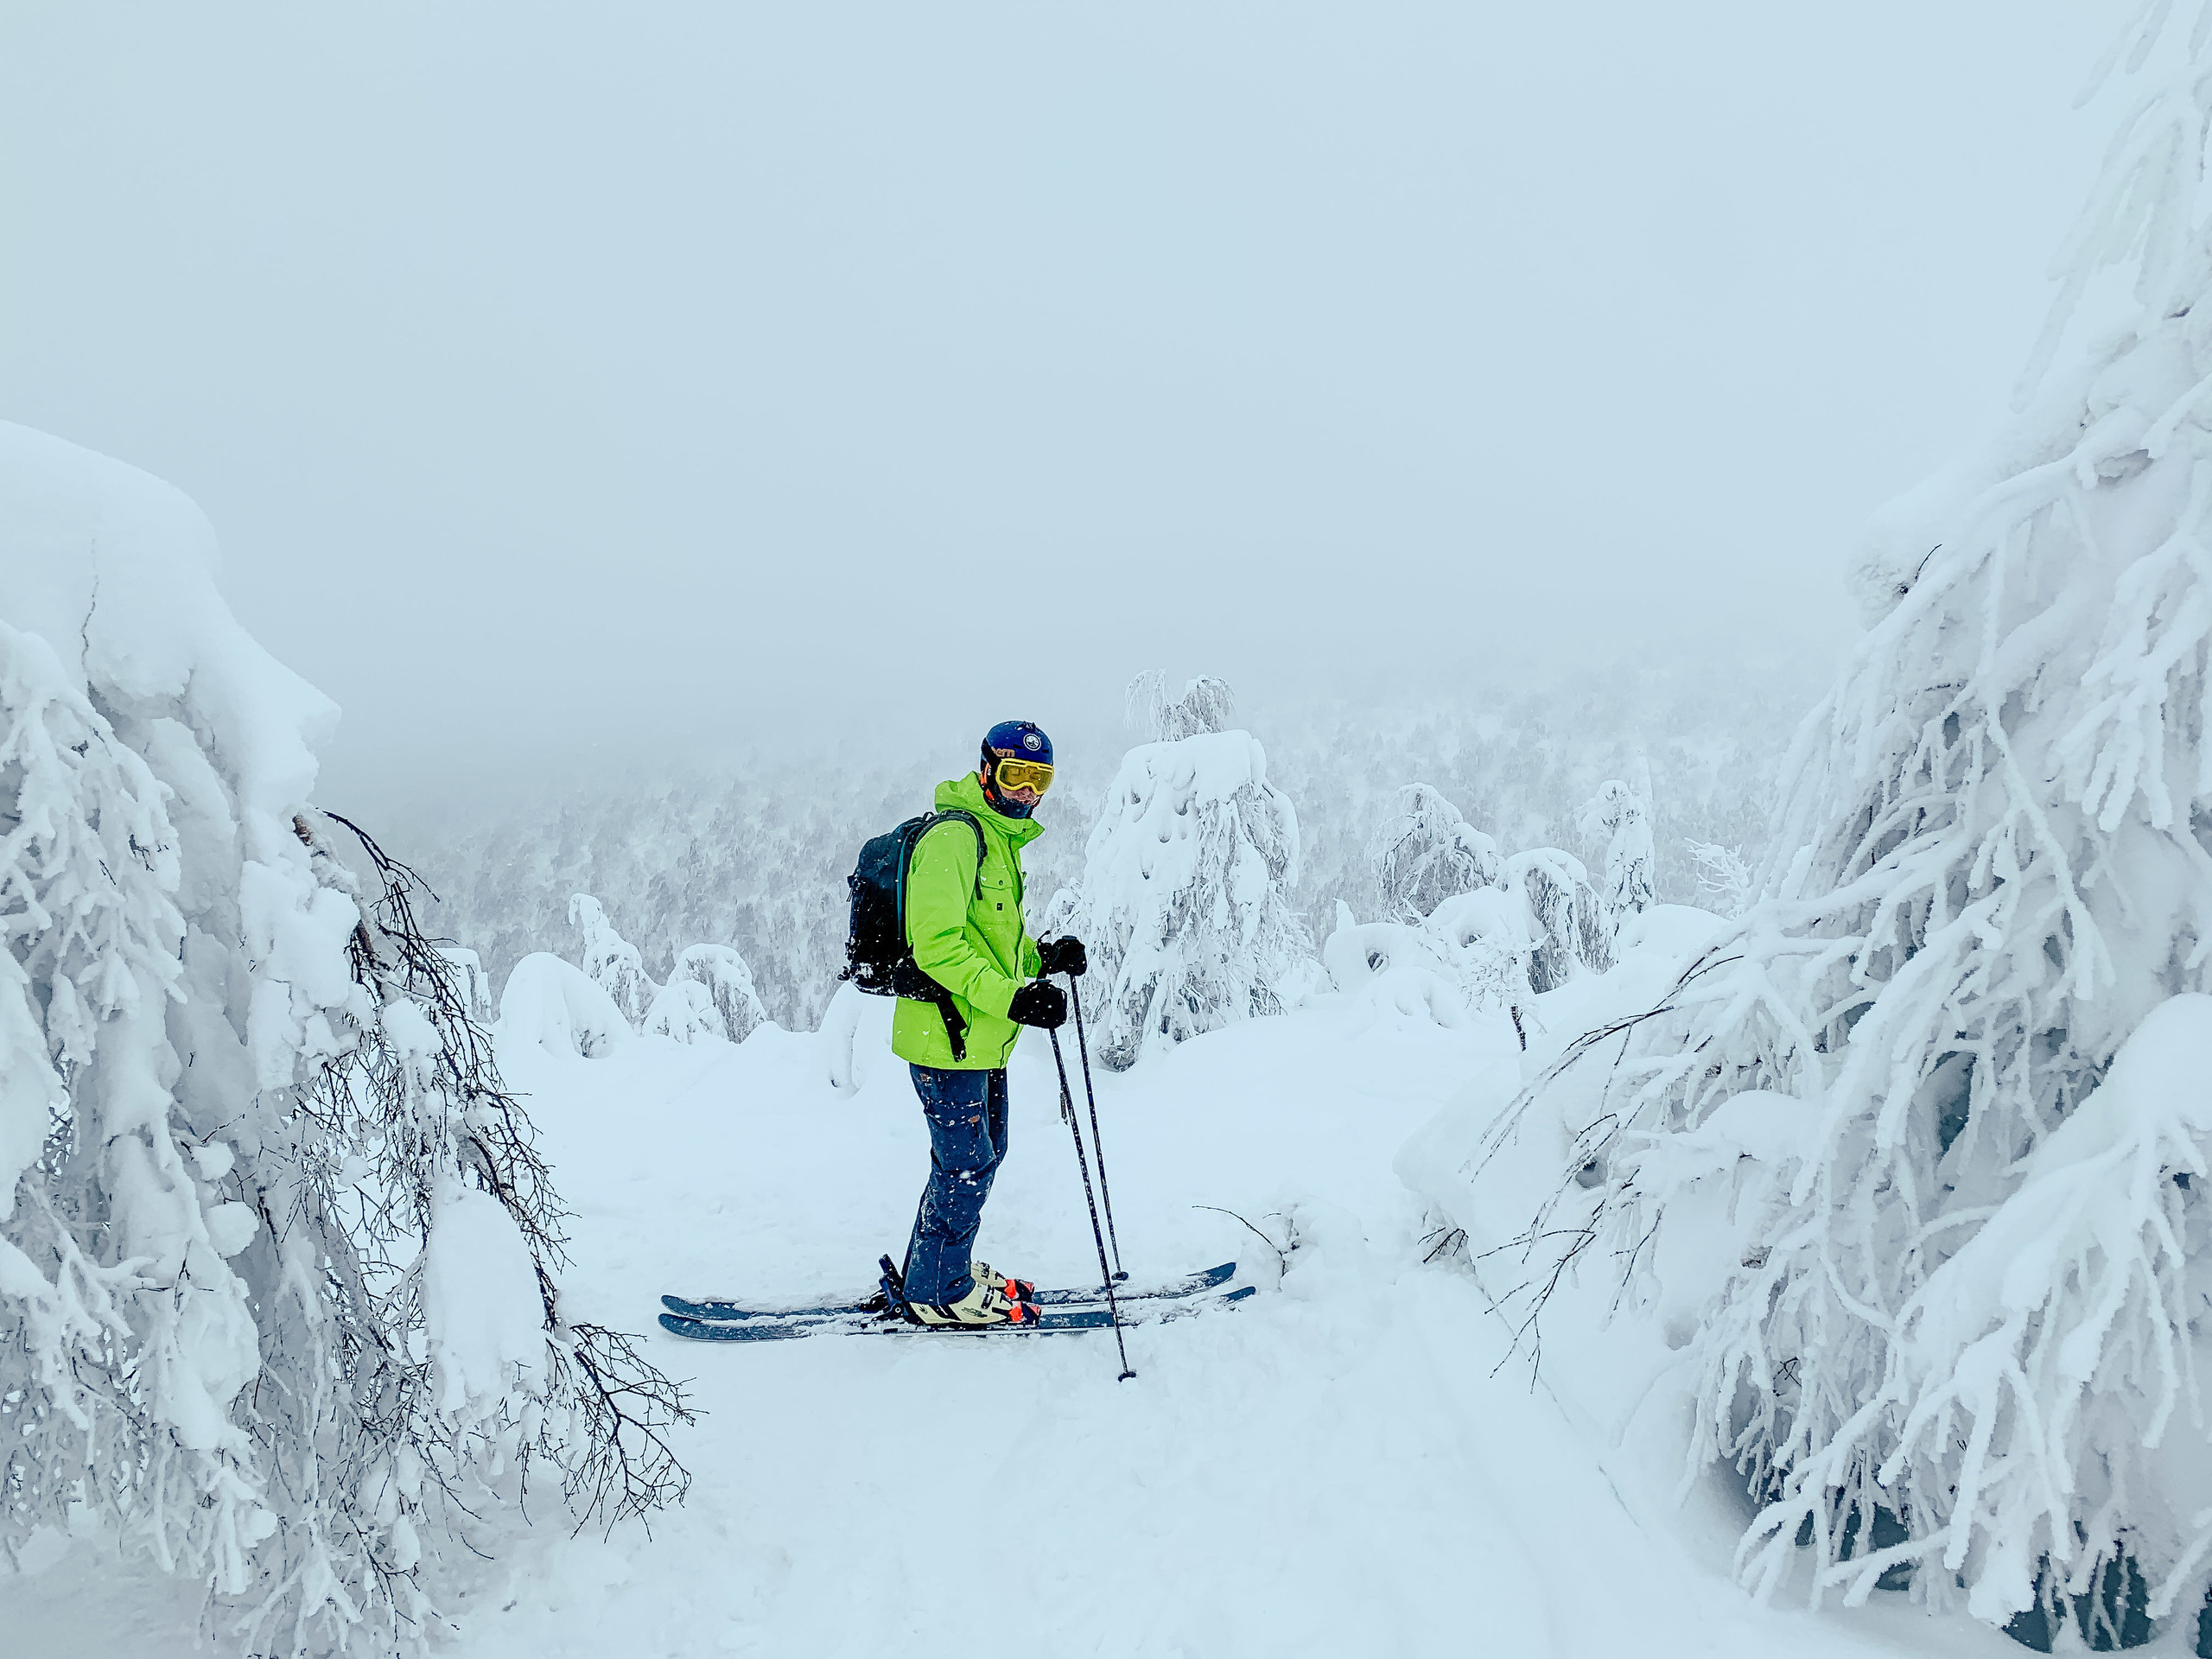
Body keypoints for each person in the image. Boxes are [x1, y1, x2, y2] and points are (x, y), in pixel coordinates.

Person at [893, 720, 1088, 1326]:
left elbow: (993, 941)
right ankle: (939, 1291)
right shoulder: (955, 838)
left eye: (1040, 780)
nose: (1027, 792)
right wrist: (1015, 1000)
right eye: (1016, 775)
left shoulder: (998, 842)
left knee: (979, 1157)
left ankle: (936, 1268)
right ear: (987, 772)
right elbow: (937, 946)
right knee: (966, 1165)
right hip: (947, 1037)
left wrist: (1041, 959)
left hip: (981, 1038)